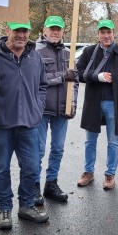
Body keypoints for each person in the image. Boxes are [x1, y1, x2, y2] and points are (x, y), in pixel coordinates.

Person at [0, 21, 49, 230]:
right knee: (2, 168)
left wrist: (38, 107)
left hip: (29, 123)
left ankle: (27, 205)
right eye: (17, 31)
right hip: (2, 124)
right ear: (7, 31)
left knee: (31, 168)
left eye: (25, 31)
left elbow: (42, 85)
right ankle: (4, 209)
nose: (21, 35)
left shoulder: (35, 56)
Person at [75, 19, 118, 190]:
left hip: (114, 104)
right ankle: (88, 172)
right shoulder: (89, 52)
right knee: (90, 141)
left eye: (109, 32)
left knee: (113, 141)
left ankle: (110, 174)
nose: (106, 35)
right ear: (98, 34)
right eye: (102, 32)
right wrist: (97, 76)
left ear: (113, 33)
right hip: (93, 103)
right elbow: (79, 74)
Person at [34, 16, 79, 206]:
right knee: (38, 150)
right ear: (44, 30)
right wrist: (62, 76)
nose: (55, 32)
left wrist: (73, 104)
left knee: (58, 149)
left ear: (62, 32)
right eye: (52, 29)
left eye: (58, 29)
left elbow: (74, 82)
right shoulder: (36, 52)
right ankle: (33, 186)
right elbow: (37, 79)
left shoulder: (69, 53)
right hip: (42, 110)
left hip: (62, 111)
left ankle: (51, 184)